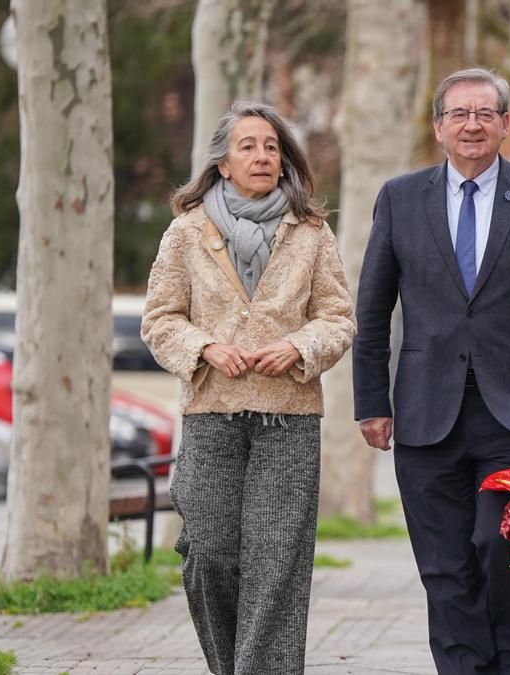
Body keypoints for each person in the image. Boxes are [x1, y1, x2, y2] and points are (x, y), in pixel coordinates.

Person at [352, 68, 510, 674]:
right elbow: (372, 307)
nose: (472, 125)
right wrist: (370, 400)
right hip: (425, 410)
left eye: (485, 114)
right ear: (438, 127)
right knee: (444, 566)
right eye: (459, 114)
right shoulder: (399, 198)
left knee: (505, 544)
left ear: (505, 125)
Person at [141, 101, 356, 673]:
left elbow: (338, 318)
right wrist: (205, 348)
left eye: (271, 146)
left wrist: (300, 347)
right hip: (211, 410)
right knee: (210, 552)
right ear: (222, 163)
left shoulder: (311, 231)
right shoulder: (185, 232)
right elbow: (160, 320)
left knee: (277, 560)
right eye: (248, 146)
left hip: (290, 415)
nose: (262, 156)